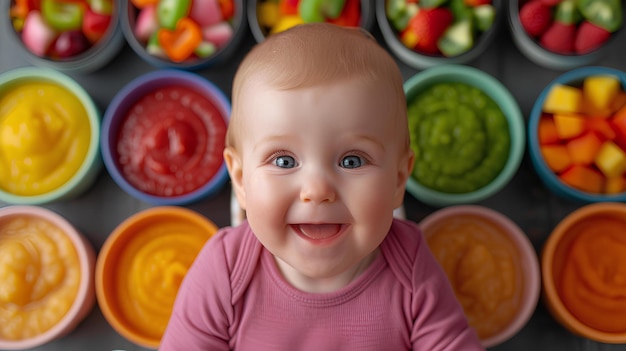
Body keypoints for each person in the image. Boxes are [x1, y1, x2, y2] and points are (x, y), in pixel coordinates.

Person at [160, 22, 484, 351]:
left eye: (352, 161)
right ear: (241, 180)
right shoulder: (224, 270)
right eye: (284, 161)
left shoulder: (411, 267)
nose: (316, 190)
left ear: (398, 180)